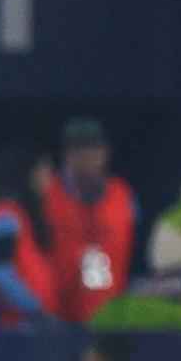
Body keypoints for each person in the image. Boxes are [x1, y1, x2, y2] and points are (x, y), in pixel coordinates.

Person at [42, 116, 137, 323]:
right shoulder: (48, 194)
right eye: (77, 149)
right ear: (65, 155)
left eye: (92, 148)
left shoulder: (123, 194)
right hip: (58, 318)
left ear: (105, 152)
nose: (85, 156)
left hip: (111, 317)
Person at [0, 145, 57, 332]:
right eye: (45, 169)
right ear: (28, 173)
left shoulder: (22, 217)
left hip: (22, 332)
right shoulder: (7, 214)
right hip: (10, 334)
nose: (50, 177)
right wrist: (36, 311)